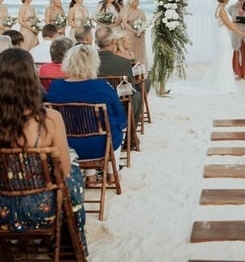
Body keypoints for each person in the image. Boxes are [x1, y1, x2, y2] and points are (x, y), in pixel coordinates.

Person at [0, 48, 87, 254]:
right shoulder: (50, 119)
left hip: (3, 209)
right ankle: (70, 241)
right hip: (43, 209)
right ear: (32, 79)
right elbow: (64, 171)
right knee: (72, 171)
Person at [46, 44, 127, 185]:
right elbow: (121, 118)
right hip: (100, 146)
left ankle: (90, 176)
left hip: (66, 146)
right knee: (113, 127)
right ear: (94, 63)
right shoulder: (102, 86)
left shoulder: (55, 87)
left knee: (86, 124)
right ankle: (111, 173)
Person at [201, 0, 245, 95]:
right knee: (225, 59)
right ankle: (223, 85)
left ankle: (222, 82)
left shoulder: (219, 8)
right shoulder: (222, 10)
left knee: (223, 58)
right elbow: (229, 25)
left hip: (222, 34)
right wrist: (241, 33)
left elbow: (227, 22)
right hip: (223, 36)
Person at [94, 26, 142, 128]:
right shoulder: (123, 63)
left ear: (96, 42)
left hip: (94, 107)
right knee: (137, 95)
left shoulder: (89, 63)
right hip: (117, 108)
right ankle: (131, 136)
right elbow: (130, 88)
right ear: (113, 41)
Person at [121, 0, 148, 68]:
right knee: (130, 50)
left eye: (138, 1)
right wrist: (134, 31)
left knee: (140, 51)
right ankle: (130, 68)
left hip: (139, 34)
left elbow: (145, 22)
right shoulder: (126, 11)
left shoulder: (141, 11)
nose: (137, 2)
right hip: (129, 33)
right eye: (135, 1)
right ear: (131, 2)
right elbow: (124, 23)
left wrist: (141, 29)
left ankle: (140, 69)